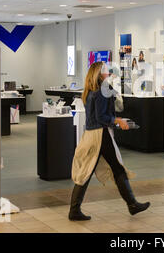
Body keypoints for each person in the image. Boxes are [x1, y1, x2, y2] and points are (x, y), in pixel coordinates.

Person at [69, 62, 150, 221]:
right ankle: (132, 204)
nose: (109, 72)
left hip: (91, 135)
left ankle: (74, 209)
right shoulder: (101, 92)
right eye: (106, 70)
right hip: (101, 134)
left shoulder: (90, 91)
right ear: (100, 74)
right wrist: (118, 120)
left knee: (88, 170)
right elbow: (102, 117)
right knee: (117, 168)